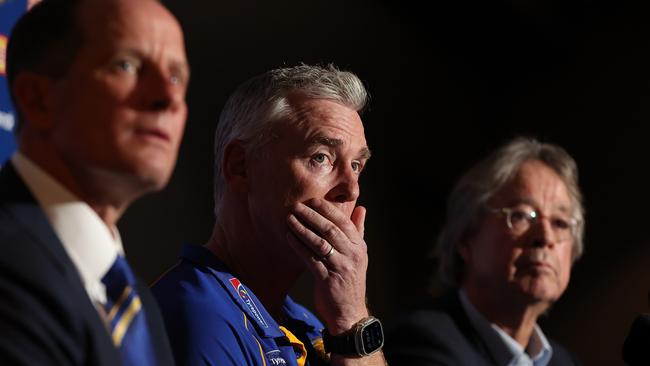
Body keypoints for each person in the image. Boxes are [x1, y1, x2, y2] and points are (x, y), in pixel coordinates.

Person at [152, 64, 387, 366]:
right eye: (321, 157)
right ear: (240, 167)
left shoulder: (306, 323)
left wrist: (352, 317)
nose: (351, 189)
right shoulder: (197, 319)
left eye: (356, 165)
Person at [0, 0, 189, 364]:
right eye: (127, 65)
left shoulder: (136, 300)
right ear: (38, 100)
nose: (168, 97)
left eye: (177, 76)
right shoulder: (11, 267)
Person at [384, 137, 584, 366]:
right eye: (521, 215)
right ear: (466, 238)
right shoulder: (421, 341)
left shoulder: (565, 362)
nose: (545, 237)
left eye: (560, 223)